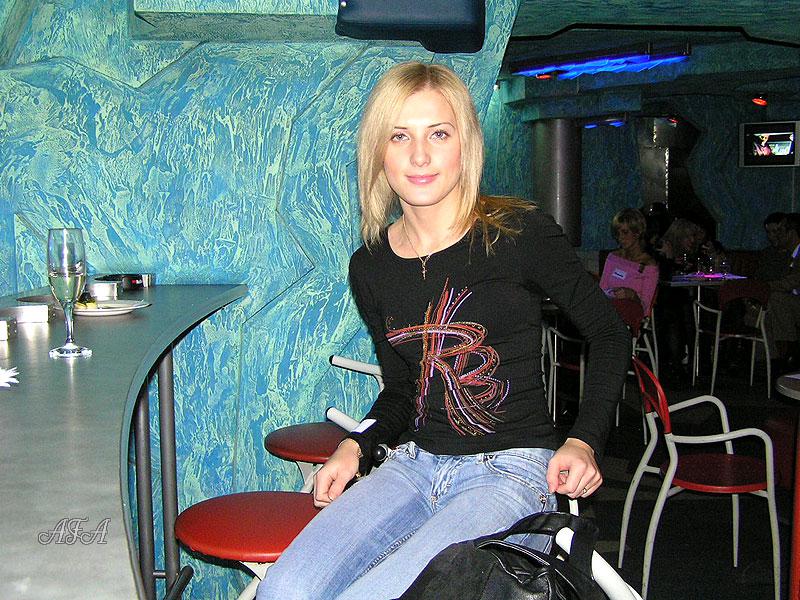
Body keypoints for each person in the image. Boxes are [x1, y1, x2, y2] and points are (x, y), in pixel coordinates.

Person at [257, 62, 630, 600]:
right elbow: (402, 390)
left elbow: (610, 334)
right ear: (378, 153)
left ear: (466, 144)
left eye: (438, 133)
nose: (419, 155)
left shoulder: (518, 234)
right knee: (283, 590)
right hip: (414, 465)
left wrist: (584, 439)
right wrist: (358, 445)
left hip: (511, 472)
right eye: (399, 136)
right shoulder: (370, 265)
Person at [599, 208, 659, 315]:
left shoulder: (648, 265)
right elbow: (602, 289)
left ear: (637, 232)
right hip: (608, 312)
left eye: (625, 232)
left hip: (630, 316)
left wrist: (632, 295)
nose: (620, 238)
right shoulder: (613, 257)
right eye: (617, 233)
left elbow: (645, 309)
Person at [765, 213, 800, 372]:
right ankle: (775, 362)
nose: (776, 235)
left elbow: (790, 282)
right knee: (765, 314)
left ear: (791, 233)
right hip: (791, 302)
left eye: (780, 231)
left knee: (777, 299)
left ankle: (789, 353)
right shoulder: (788, 255)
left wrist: (761, 287)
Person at [755, 212, 790, 281]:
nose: (771, 236)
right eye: (768, 232)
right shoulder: (767, 253)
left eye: (775, 231)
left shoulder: (794, 254)